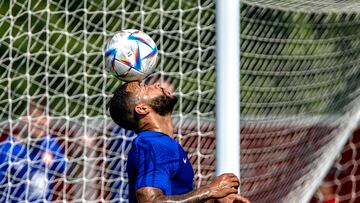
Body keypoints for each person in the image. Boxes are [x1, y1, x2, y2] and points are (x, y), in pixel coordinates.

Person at [109, 80, 250, 203]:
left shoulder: (161, 143)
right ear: (142, 108)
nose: (156, 84)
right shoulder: (152, 145)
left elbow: (176, 197)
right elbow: (150, 201)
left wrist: (213, 200)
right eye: (145, 87)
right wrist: (210, 190)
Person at [0, 101, 67, 202]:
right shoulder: (7, 149)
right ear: (25, 119)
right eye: (38, 125)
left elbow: (70, 173)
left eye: (45, 126)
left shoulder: (50, 145)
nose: (42, 130)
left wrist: (82, 149)